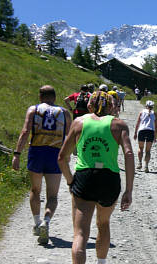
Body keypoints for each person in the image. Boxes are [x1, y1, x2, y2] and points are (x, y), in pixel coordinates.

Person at [57, 91, 135, 264]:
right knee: (103, 224)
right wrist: (129, 190)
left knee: (80, 233)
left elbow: (62, 158)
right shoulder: (119, 125)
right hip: (109, 179)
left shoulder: (79, 122)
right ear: (111, 106)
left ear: (89, 105)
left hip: (84, 179)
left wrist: (71, 181)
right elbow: (129, 154)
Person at [12, 85, 71, 245]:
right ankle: (46, 220)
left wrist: (17, 154)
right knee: (53, 196)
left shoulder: (33, 109)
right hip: (55, 154)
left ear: (40, 97)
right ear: (55, 97)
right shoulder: (64, 113)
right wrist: (67, 156)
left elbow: (25, 132)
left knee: (35, 190)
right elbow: (70, 136)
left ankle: (37, 223)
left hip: (36, 152)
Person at [134, 100, 157, 172]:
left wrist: (135, 133)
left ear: (146, 105)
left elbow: (138, 123)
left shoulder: (141, 112)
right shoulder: (155, 114)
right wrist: (155, 136)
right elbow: (156, 126)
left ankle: (140, 163)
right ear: (152, 106)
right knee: (148, 150)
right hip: (150, 131)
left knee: (140, 148)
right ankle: (146, 166)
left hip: (142, 130)